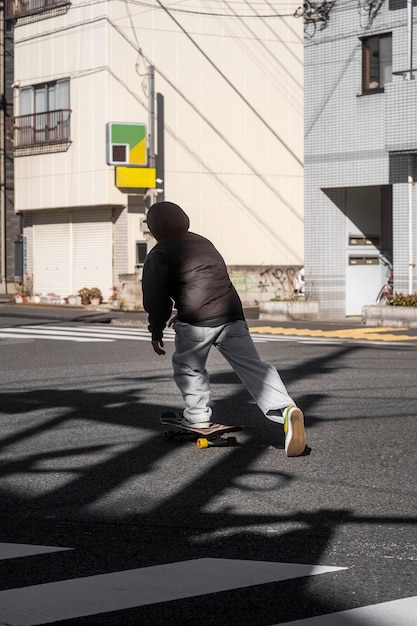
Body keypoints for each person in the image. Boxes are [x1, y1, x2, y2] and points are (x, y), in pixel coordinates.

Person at [141, 201, 306, 456]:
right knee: (255, 369)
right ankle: (285, 409)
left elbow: (155, 297)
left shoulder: (159, 252)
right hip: (231, 314)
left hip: (197, 321)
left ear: (155, 227)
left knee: (188, 368)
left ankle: (197, 417)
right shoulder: (202, 242)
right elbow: (206, 282)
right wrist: (183, 312)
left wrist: (156, 329)